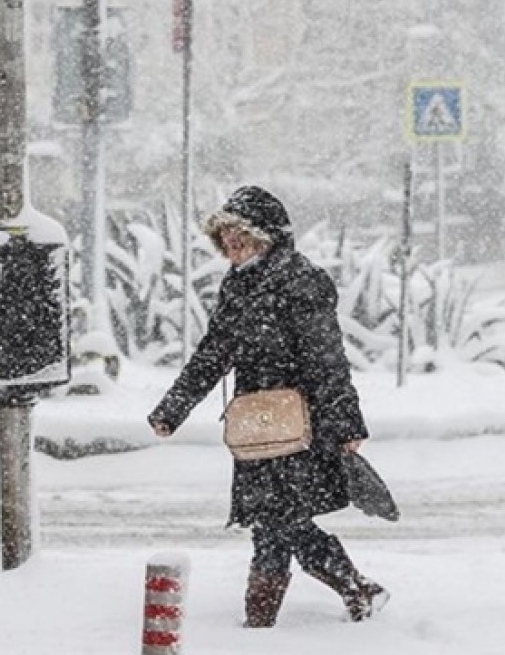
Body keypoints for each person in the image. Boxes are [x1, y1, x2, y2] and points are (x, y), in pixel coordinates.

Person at [147, 185, 389, 627]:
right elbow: (214, 352)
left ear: (266, 236)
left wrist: (346, 423)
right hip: (257, 425)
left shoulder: (301, 280)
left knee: (278, 521)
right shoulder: (237, 285)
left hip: (302, 423)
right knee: (275, 521)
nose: (232, 244)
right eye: (226, 236)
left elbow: (327, 359)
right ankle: (351, 590)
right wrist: (172, 409)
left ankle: (263, 622)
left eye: (240, 235)